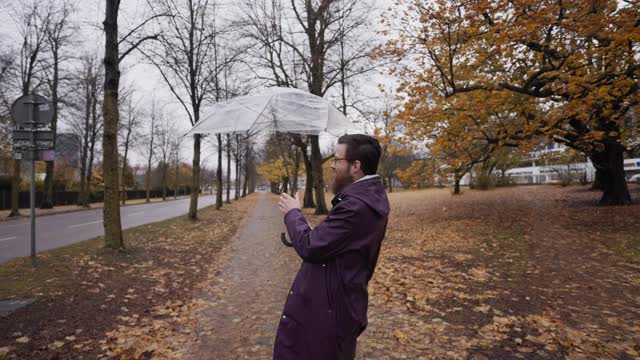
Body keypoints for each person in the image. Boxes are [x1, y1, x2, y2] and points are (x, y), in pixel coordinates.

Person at [274, 134, 390, 359]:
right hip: (337, 304)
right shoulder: (365, 199)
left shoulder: (356, 206)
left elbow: (310, 247)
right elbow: (335, 242)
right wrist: (308, 229)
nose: (333, 166)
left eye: (337, 160)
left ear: (356, 166)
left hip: (329, 312)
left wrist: (292, 213)